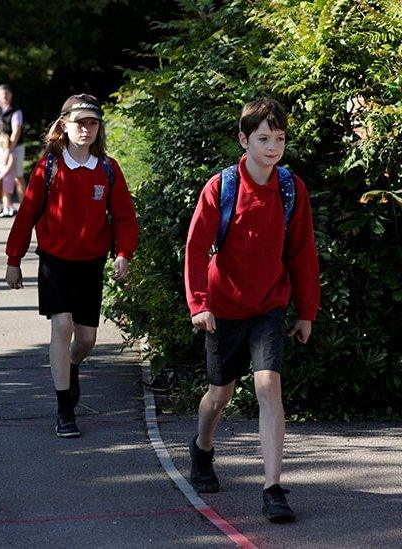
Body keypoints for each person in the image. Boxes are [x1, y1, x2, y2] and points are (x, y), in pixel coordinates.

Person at [184, 98, 319, 523]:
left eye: (279, 138)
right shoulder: (221, 187)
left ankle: (273, 488)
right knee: (219, 395)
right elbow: (194, 248)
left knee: (268, 388)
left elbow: (302, 253)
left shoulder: (291, 188)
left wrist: (306, 310)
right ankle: (202, 448)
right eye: (263, 138)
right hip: (223, 307)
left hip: (269, 306)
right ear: (244, 140)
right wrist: (199, 304)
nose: (272, 147)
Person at [5, 94, 139, 439]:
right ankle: (65, 409)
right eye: (80, 122)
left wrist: (123, 253)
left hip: (91, 263)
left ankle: (72, 366)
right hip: (55, 262)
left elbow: (124, 217)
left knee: (87, 340)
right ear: (63, 125)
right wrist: (14, 259)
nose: (86, 129)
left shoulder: (108, 168)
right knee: (61, 326)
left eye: (93, 123)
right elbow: (27, 214)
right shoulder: (49, 167)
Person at [0, 84, 25, 216]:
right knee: (4, 176)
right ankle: (7, 207)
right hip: (2, 146)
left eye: (6, 94)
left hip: (16, 147)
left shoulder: (16, 111)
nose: (4, 96)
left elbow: (16, 132)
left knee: (18, 177)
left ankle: (25, 207)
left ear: (10, 95)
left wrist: (9, 150)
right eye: (1, 94)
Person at [0, 133, 18, 218]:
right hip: (4, 176)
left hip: (7, 177)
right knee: (6, 194)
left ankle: (6, 209)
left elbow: (9, 166)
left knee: (5, 194)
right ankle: (9, 208)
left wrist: (1, 174)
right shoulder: (2, 153)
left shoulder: (10, 153)